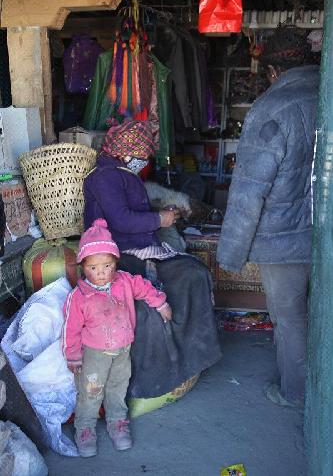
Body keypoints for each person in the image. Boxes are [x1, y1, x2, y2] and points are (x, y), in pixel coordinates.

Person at [83, 118, 222, 405]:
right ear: (126, 150)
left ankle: (195, 356)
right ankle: (165, 368)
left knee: (194, 274)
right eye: (141, 154)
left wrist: (163, 214)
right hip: (120, 255)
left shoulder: (123, 174)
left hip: (142, 248)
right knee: (164, 293)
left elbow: (134, 213)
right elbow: (120, 220)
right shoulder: (104, 177)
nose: (143, 160)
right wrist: (160, 218)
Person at [217, 26, 319, 407]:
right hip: (323, 236)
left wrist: (230, 256)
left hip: (284, 241)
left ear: (273, 72)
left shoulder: (271, 108)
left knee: (291, 320)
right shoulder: (325, 97)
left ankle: (295, 394)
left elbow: (248, 191)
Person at [62, 218, 172, 458]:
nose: (101, 273)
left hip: (122, 350)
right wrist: (72, 356)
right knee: (91, 392)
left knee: (117, 388)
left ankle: (117, 422)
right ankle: (85, 428)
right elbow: (70, 329)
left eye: (107, 266)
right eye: (93, 268)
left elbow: (144, 288)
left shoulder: (124, 281)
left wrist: (160, 303)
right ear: (83, 266)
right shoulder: (79, 296)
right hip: (94, 354)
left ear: (115, 263)